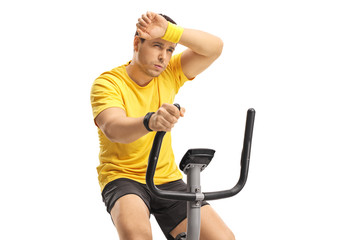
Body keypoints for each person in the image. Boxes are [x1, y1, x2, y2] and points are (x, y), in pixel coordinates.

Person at [90, 11, 235, 240]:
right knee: (137, 236)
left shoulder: (170, 73)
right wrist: (151, 121)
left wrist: (169, 31)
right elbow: (113, 128)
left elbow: (214, 48)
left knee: (222, 238)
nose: (164, 58)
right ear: (137, 43)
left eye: (170, 50)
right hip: (123, 177)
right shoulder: (108, 83)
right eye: (157, 46)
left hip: (167, 178)